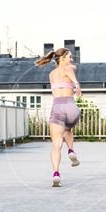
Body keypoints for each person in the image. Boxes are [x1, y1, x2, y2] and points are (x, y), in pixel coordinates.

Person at [35, 47, 82, 187]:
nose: (71, 60)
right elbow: (68, 70)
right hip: (71, 106)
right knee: (68, 129)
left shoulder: (51, 74)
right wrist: (76, 84)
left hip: (57, 107)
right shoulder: (70, 67)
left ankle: (56, 173)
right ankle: (71, 150)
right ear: (62, 58)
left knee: (56, 145)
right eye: (69, 57)